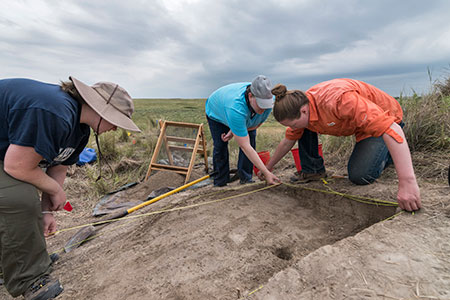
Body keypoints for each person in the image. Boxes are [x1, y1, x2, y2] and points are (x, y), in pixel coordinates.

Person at [0, 77, 140, 300]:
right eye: (116, 121)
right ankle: (29, 279)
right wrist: (55, 191)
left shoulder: (79, 130)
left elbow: (58, 166)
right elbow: (17, 166)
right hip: (9, 158)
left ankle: (15, 261)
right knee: (19, 199)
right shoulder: (56, 112)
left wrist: (47, 211)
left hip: (7, 153)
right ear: (100, 110)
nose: (115, 128)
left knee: (25, 198)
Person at [260, 78, 421, 212]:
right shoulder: (301, 108)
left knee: (360, 176)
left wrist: (407, 182)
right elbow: (288, 140)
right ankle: (313, 172)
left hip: (387, 118)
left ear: (303, 110)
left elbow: (390, 128)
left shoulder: (339, 101)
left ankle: (392, 152)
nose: (292, 128)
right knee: (302, 129)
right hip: (361, 125)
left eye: (293, 124)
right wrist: (268, 168)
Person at [205, 75, 280, 186]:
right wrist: (266, 173)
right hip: (217, 112)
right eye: (261, 104)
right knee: (221, 145)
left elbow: (255, 125)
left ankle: (245, 178)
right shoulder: (236, 108)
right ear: (250, 96)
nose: (263, 109)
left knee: (251, 139)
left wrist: (234, 130)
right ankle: (220, 181)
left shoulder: (268, 101)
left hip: (236, 113)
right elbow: (244, 145)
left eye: (266, 105)